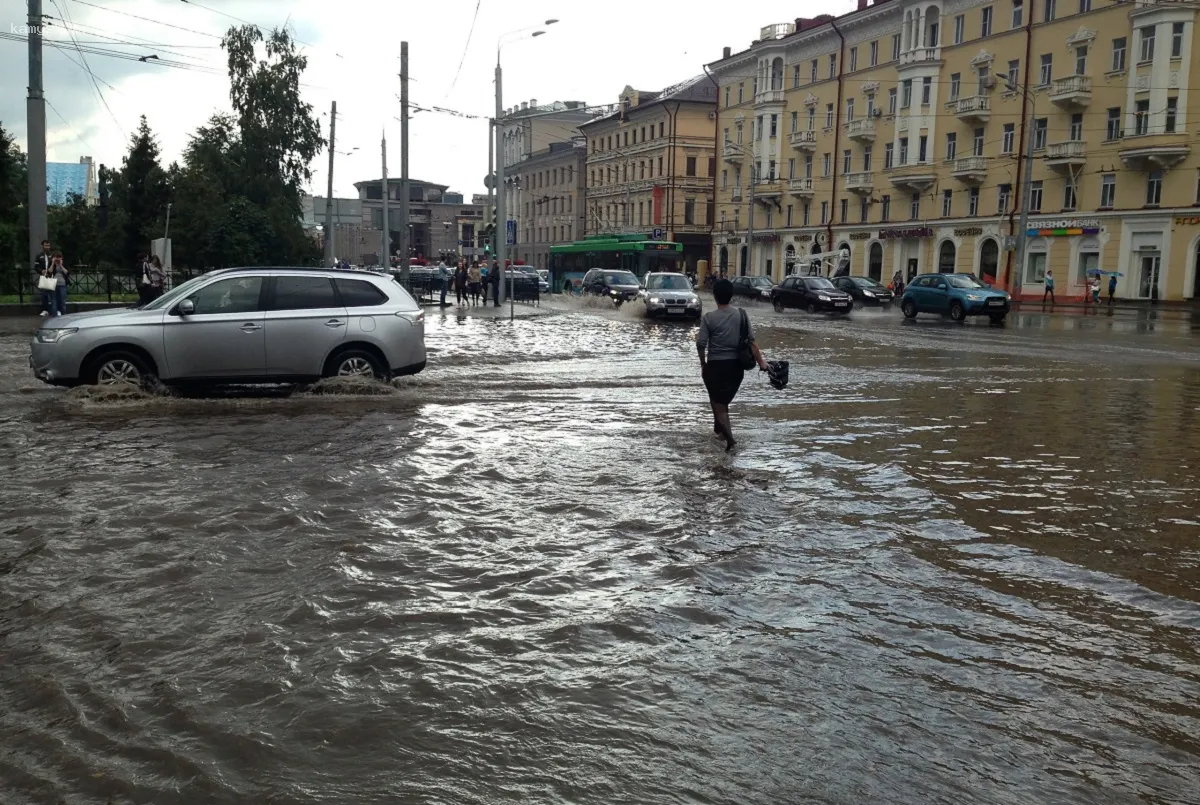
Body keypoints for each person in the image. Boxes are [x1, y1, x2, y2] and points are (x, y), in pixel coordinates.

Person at [697, 279, 768, 452]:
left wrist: (703, 363)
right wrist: (762, 363)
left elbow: (701, 344)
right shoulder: (741, 315)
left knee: (718, 403)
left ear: (714, 296)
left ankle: (730, 439)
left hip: (715, 367)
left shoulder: (708, 318)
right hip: (736, 368)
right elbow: (752, 342)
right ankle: (718, 432)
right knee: (721, 401)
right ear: (732, 296)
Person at [45, 251, 69, 316]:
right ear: (53, 258)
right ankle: (54, 316)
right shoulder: (51, 263)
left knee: (62, 301)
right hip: (53, 285)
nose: (58, 259)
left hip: (62, 284)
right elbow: (49, 272)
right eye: (56, 257)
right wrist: (53, 263)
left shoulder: (63, 263)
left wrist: (61, 265)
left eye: (59, 257)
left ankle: (63, 315)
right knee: (54, 302)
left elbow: (67, 272)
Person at [34, 239, 53, 316]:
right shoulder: (39, 256)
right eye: (46, 245)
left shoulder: (52, 255)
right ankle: (45, 310)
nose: (47, 247)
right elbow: (36, 267)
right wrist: (41, 271)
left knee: (53, 295)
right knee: (44, 294)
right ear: (42, 246)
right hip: (44, 277)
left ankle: (55, 309)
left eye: (48, 245)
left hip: (52, 277)